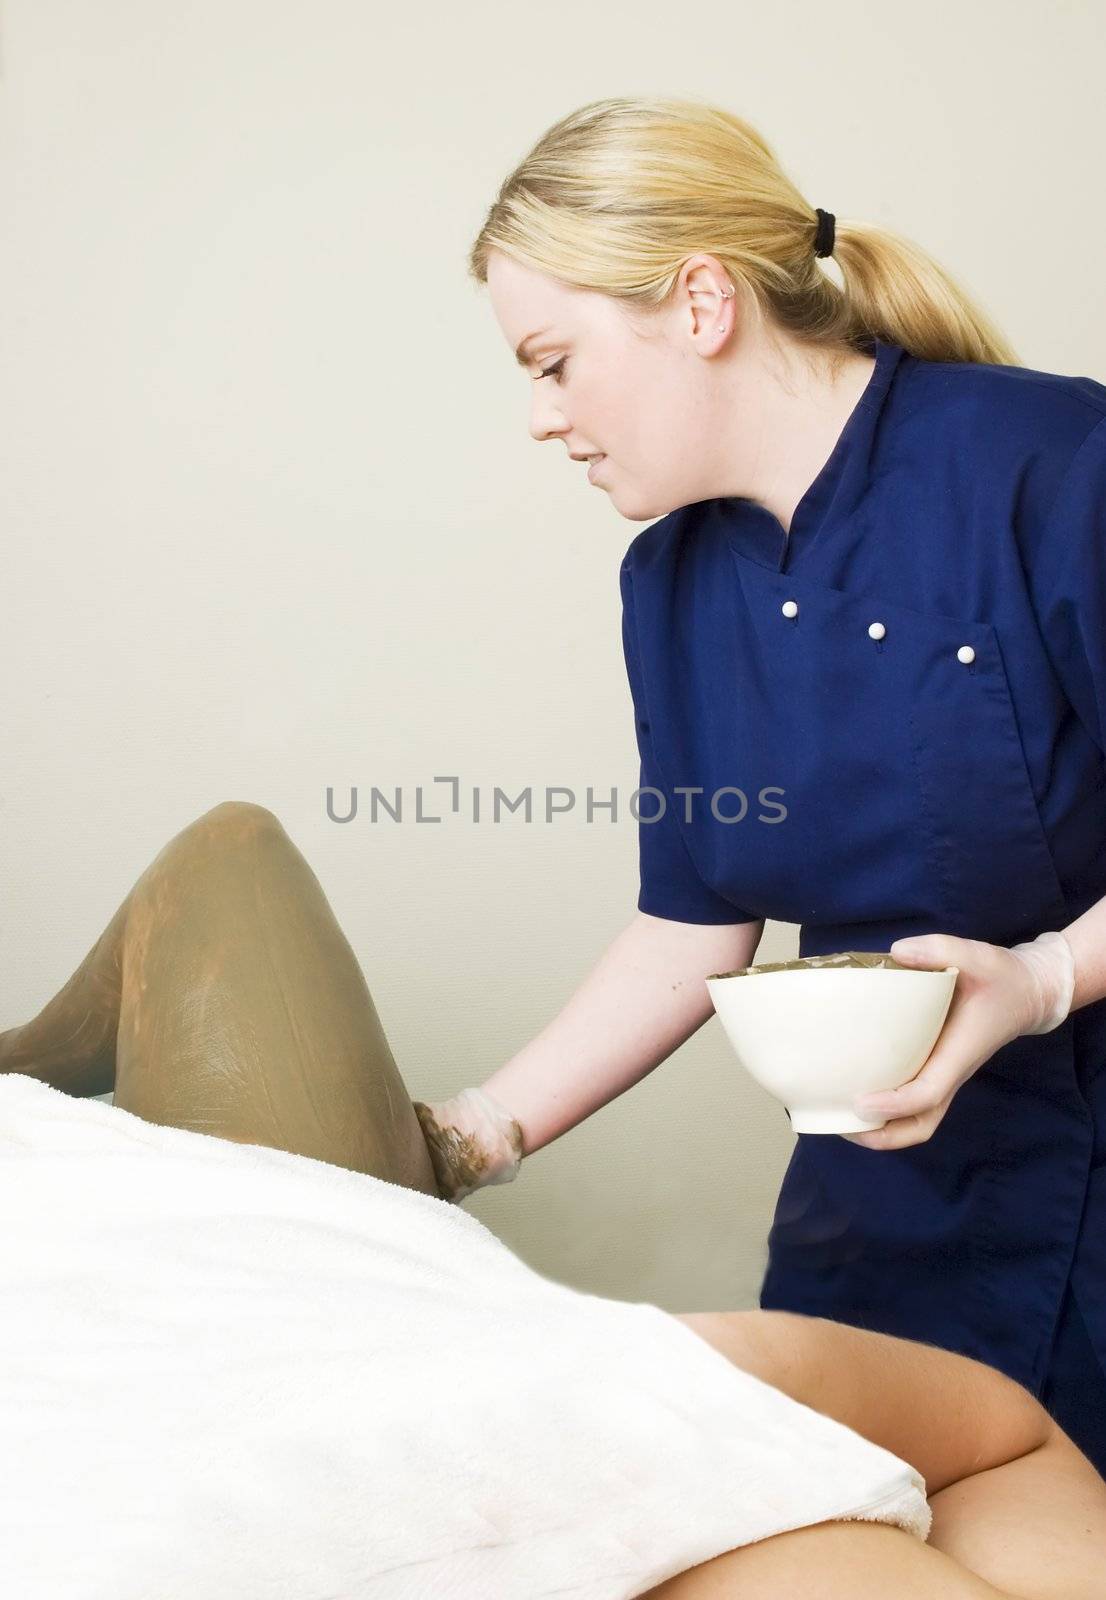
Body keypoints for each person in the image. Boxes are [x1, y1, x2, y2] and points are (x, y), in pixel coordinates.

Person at [414, 93, 1106, 1478]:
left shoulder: (1051, 465)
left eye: (553, 362)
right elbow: (692, 922)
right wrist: (466, 1138)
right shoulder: (668, 585)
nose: (541, 420)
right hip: (880, 1208)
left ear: (701, 301)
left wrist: (1037, 982)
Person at [2, 797, 1106, 1598]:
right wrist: (1045, 976)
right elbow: (1001, 1442)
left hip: (176, 1325)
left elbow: (992, 1441)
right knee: (226, 862)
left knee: (226, 859)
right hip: (261, 1301)